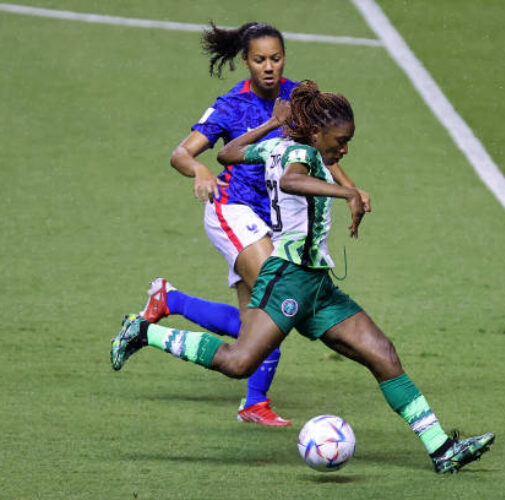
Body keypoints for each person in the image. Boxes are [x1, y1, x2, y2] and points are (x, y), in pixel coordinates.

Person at [111, 80, 494, 473]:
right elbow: (291, 180)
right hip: (288, 279)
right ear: (316, 132)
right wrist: (345, 193)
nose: (344, 149)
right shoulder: (301, 155)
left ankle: (441, 448)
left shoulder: (277, 145)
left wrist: (269, 125)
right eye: (340, 140)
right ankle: (143, 332)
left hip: (318, 286)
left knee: (383, 353)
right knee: (239, 362)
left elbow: (229, 153)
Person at [143, 21, 370, 426]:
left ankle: (171, 302)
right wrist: (199, 172)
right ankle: (250, 397)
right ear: (246, 61)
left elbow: (326, 153)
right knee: (277, 303)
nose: (269, 67)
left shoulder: (300, 97)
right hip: (233, 209)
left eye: (276, 58)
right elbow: (183, 152)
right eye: (260, 59)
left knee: (256, 326)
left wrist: (353, 188)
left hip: (275, 220)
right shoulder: (231, 105)